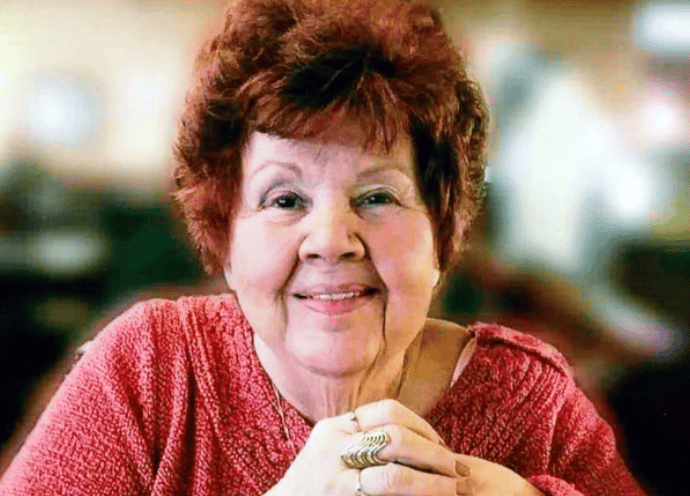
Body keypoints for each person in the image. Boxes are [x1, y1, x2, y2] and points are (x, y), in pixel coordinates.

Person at [0, 0, 644, 495]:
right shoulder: (148, 372)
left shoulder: (533, 404)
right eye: (285, 199)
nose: (331, 240)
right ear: (226, 238)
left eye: (378, 196)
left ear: (442, 234)